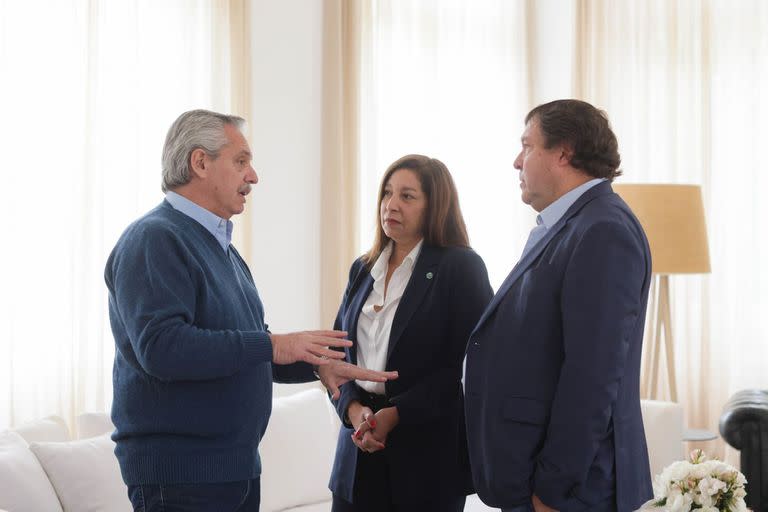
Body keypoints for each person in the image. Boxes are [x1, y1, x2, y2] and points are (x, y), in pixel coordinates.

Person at [105, 109, 397, 511]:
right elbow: (162, 348)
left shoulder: (221, 249)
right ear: (200, 163)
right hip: (183, 479)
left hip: (233, 471)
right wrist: (275, 345)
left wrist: (313, 365)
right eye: (241, 161)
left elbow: (244, 353)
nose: (253, 176)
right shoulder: (154, 239)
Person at [463, 99, 654, 512]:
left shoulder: (602, 229)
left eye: (527, 146)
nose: (517, 161)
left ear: (563, 153)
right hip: (542, 480)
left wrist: (552, 489)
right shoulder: (572, 224)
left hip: (569, 492)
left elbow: (592, 376)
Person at [328, 155, 493, 512]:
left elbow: (469, 367)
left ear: (434, 205)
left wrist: (397, 413)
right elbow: (336, 355)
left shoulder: (461, 267)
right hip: (357, 450)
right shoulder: (363, 267)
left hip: (425, 458)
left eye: (407, 196)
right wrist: (353, 409)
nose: (391, 204)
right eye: (387, 193)